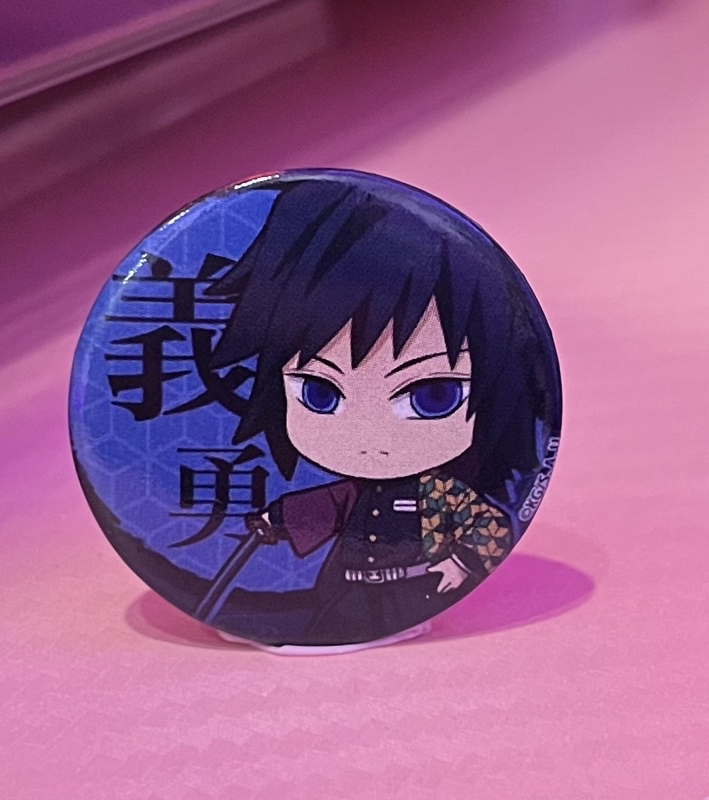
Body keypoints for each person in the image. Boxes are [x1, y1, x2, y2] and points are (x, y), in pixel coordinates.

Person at [205, 173, 558, 645]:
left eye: (432, 397)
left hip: (412, 592)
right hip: (342, 592)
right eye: (321, 393)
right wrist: (277, 520)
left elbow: (489, 525)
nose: (369, 436)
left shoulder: (441, 493)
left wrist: (460, 561)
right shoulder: (353, 493)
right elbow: (324, 506)